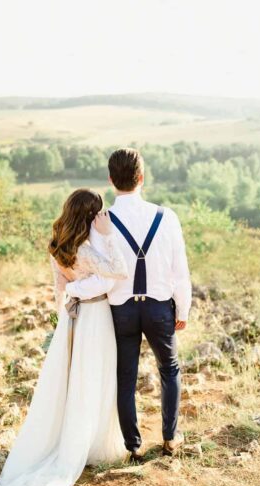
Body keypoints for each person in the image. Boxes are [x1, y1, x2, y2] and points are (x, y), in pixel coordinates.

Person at [0, 189, 129, 486]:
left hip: (71, 320)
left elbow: (59, 289)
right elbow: (119, 271)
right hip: (95, 318)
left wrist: (66, 312)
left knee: (70, 384)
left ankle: (76, 438)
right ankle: (90, 444)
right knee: (95, 379)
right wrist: (108, 237)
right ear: (90, 216)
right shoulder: (89, 248)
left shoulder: (58, 246)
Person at [65, 148, 192, 463]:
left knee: (126, 376)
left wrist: (72, 288)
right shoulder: (167, 217)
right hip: (160, 308)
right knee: (169, 369)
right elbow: (180, 270)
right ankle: (170, 439)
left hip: (121, 309)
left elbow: (99, 273)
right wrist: (183, 309)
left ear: (111, 180)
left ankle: (133, 446)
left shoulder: (100, 223)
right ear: (142, 177)